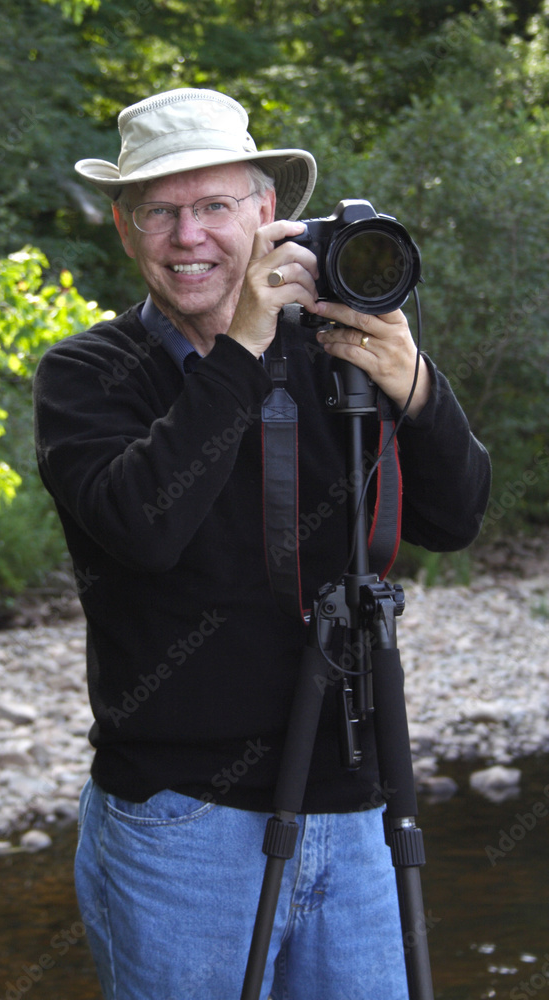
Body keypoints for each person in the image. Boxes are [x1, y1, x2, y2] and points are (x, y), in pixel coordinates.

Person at [33, 88, 490, 1000]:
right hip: (179, 820)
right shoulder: (89, 373)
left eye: (213, 207)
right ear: (126, 231)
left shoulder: (334, 354)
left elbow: (455, 517)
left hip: (357, 809)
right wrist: (241, 351)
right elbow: (145, 529)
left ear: (268, 215)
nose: (188, 236)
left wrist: (418, 391)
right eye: (159, 212)